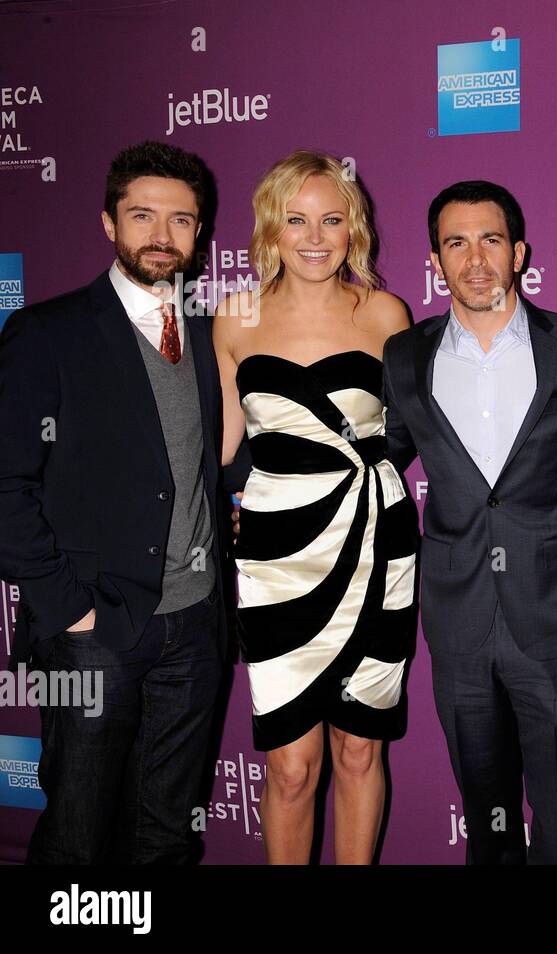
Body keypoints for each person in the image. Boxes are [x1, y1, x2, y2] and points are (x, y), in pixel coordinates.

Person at [0, 141, 228, 863]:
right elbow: (6, 485)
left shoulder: (209, 329)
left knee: (166, 834)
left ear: (199, 233)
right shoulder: (48, 333)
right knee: (77, 831)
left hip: (195, 627)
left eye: (182, 221)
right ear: (108, 223)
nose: (162, 236)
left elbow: (212, 460)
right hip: (91, 631)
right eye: (143, 216)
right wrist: (69, 609)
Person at [382, 181, 557, 864]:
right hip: (458, 620)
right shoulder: (404, 356)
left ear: (519, 253)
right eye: (456, 242)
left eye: (491, 239)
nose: (475, 258)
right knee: (489, 824)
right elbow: (379, 466)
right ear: (435, 260)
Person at [213, 151, 417, 864]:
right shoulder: (234, 318)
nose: (314, 237)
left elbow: (416, 430)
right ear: (270, 228)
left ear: (352, 228)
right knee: (292, 766)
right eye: (296, 220)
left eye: (331, 220)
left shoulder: (384, 312)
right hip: (276, 558)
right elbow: (219, 448)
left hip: (375, 543)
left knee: (360, 751)